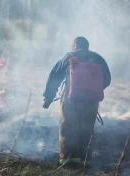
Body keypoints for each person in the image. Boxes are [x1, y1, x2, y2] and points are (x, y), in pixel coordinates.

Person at [43, 36, 111, 167]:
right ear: (88, 46)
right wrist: (93, 89)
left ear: (73, 46)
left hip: (70, 99)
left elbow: (54, 78)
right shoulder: (97, 58)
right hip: (91, 101)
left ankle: (67, 162)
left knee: (68, 129)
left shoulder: (68, 57)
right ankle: (85, 162)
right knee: (87, 129)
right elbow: (107, 79)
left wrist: (48, 98)